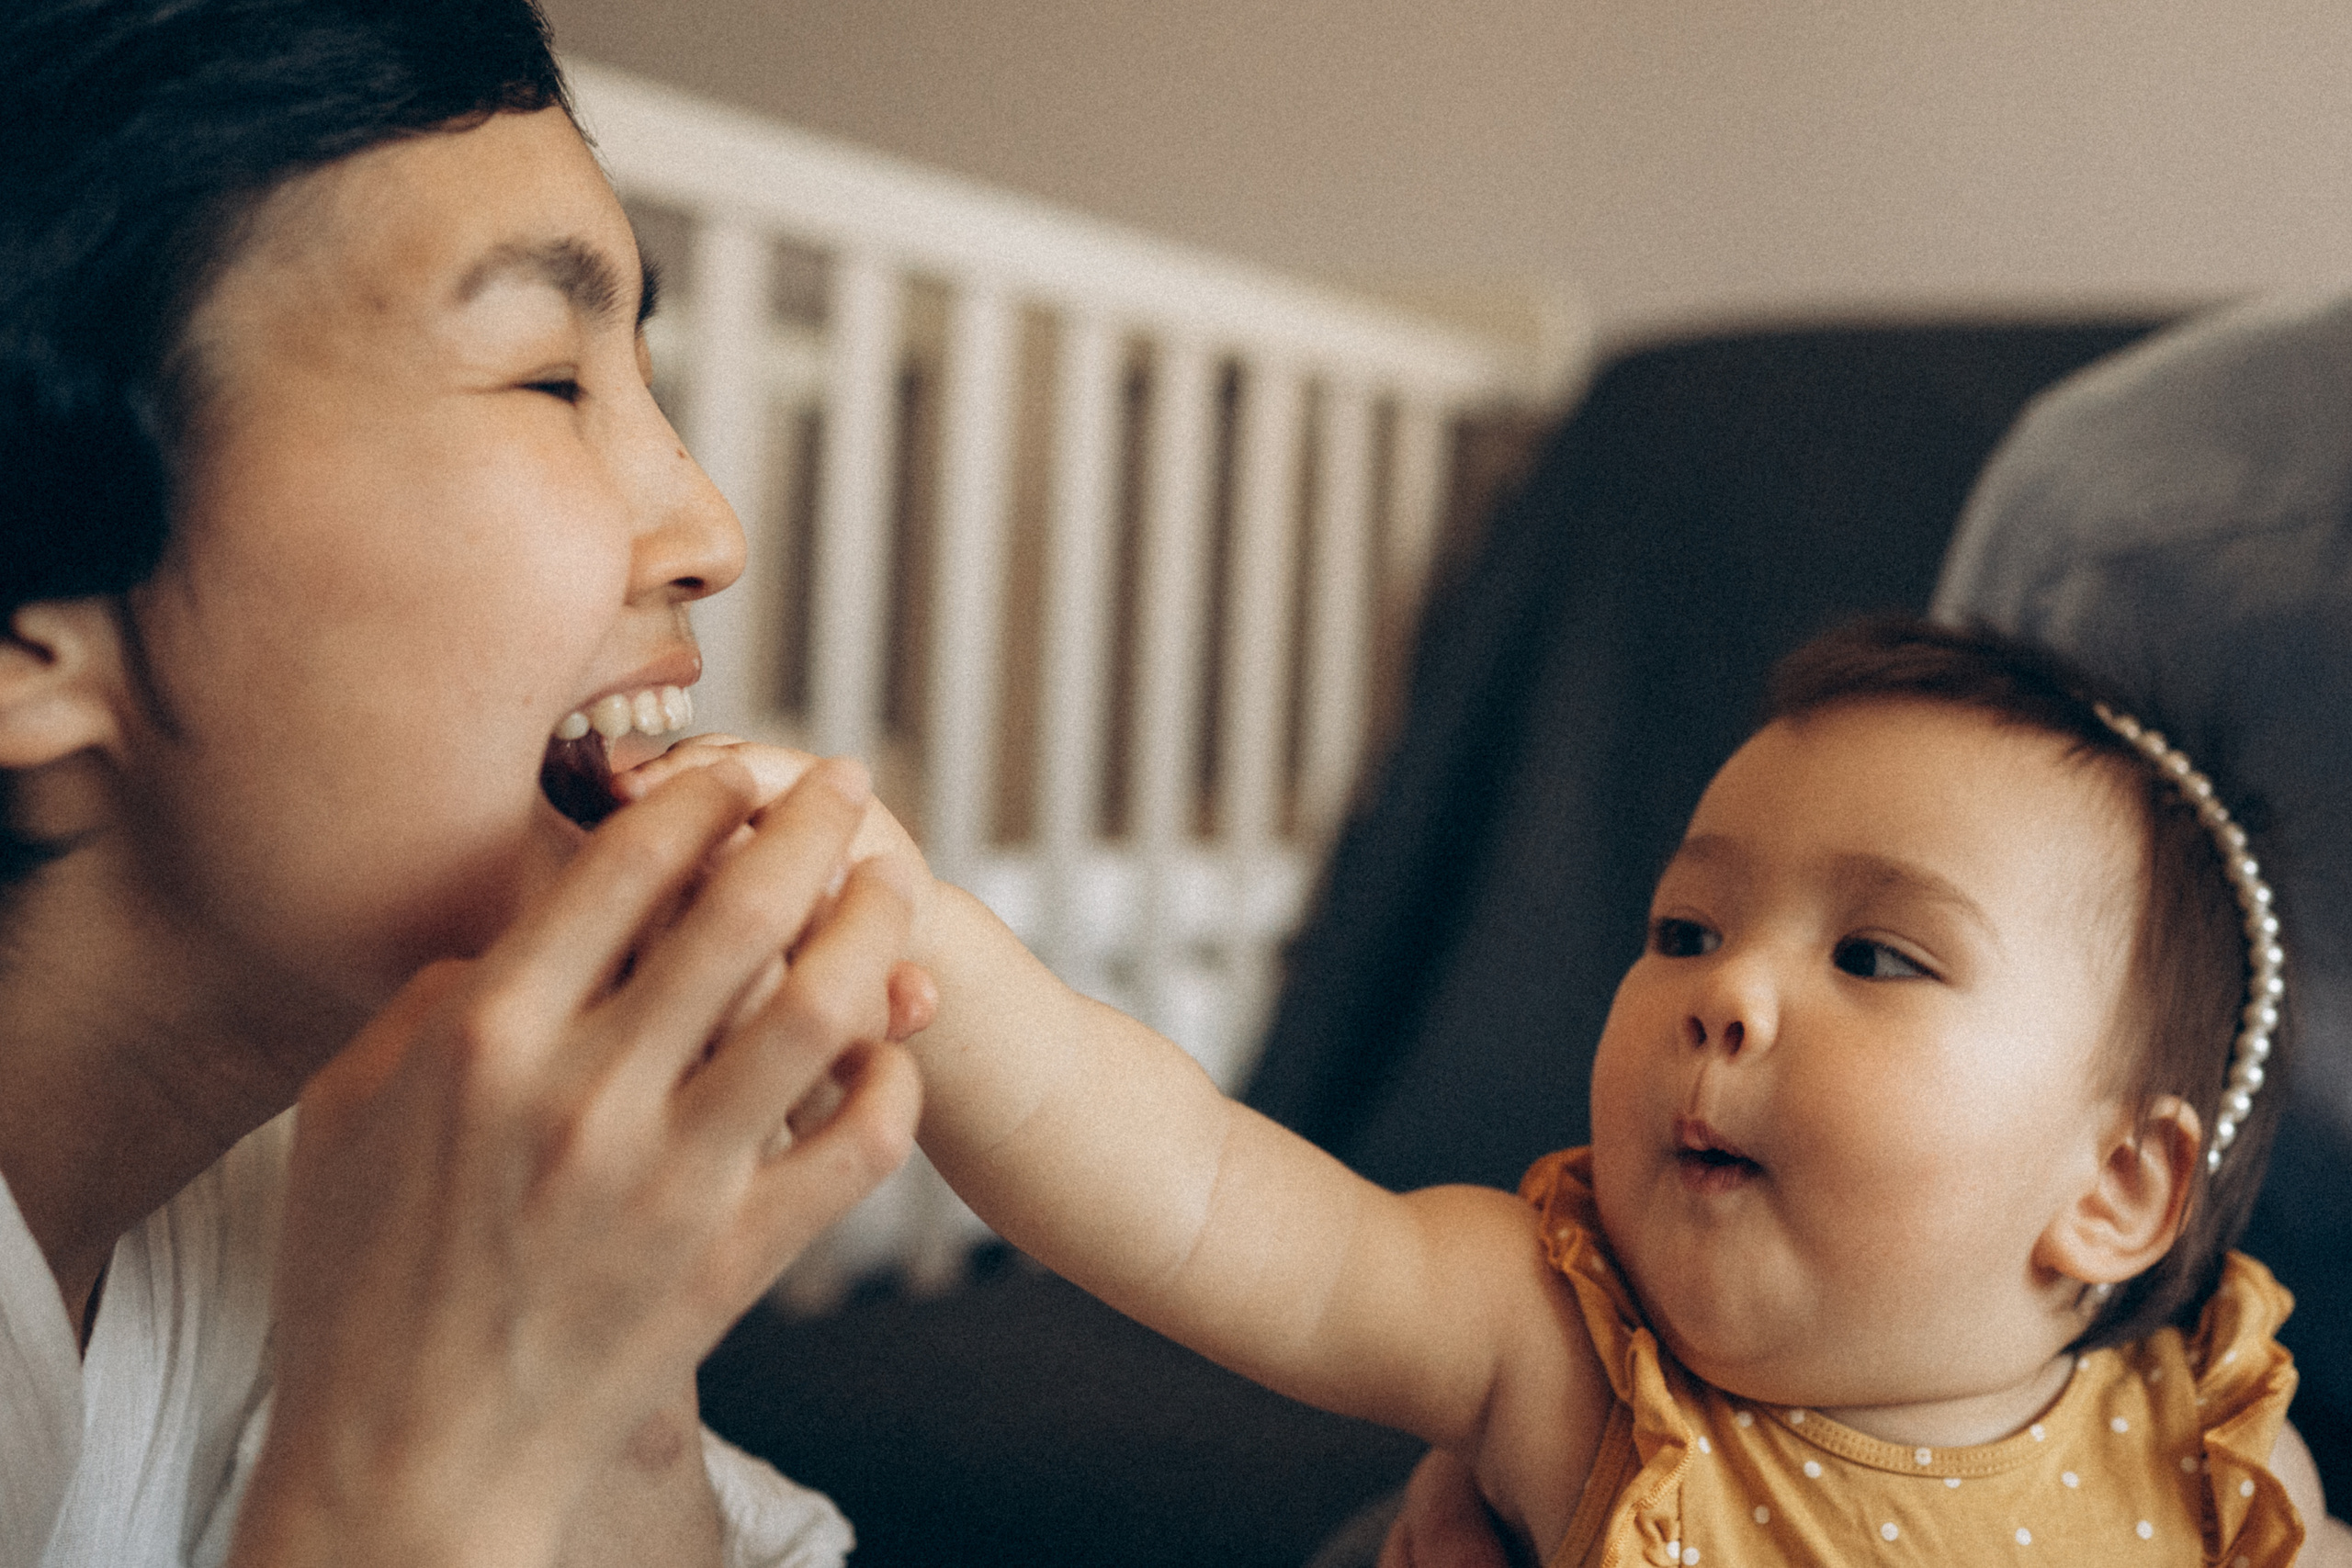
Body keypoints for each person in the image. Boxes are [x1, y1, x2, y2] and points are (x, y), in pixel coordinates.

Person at [635, 616, 2352, 1564]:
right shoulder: (1562, 1347)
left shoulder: (2214, 1449)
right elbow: (1193, 1190)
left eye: (1879, 958)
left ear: (2119, 1190)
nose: (1726, 994)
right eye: (1685, 925)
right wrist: (909, 924)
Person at [0, 4, 930, 1565]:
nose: (711, 529)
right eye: (548, 382)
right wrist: (406, 1491)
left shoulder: (357, 1200)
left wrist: (611, 1406)